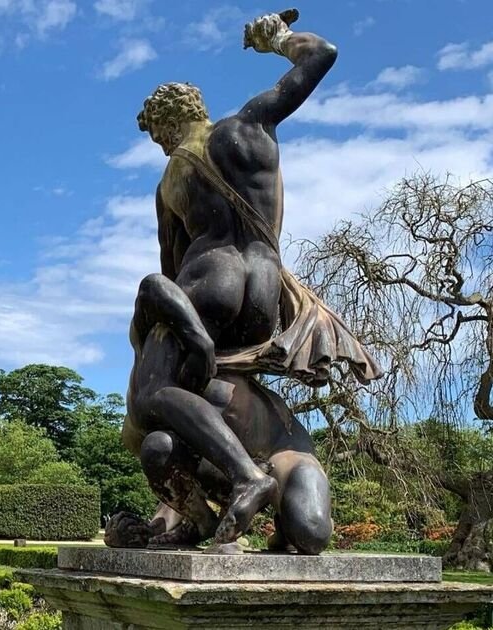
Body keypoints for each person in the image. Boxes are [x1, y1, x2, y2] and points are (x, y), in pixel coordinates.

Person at [117, 9, 379, 553]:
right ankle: (212, 498)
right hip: (265, 289)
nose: (163, 146)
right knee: (200, 396)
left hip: (210, 280)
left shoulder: (170, 180)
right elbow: (322, 54)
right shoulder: (251, 126)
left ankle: (240, 477)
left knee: (153, 395)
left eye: (159, 136)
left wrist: (175, 337)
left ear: (166, 126)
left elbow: (171, 275)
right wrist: (277, 39)